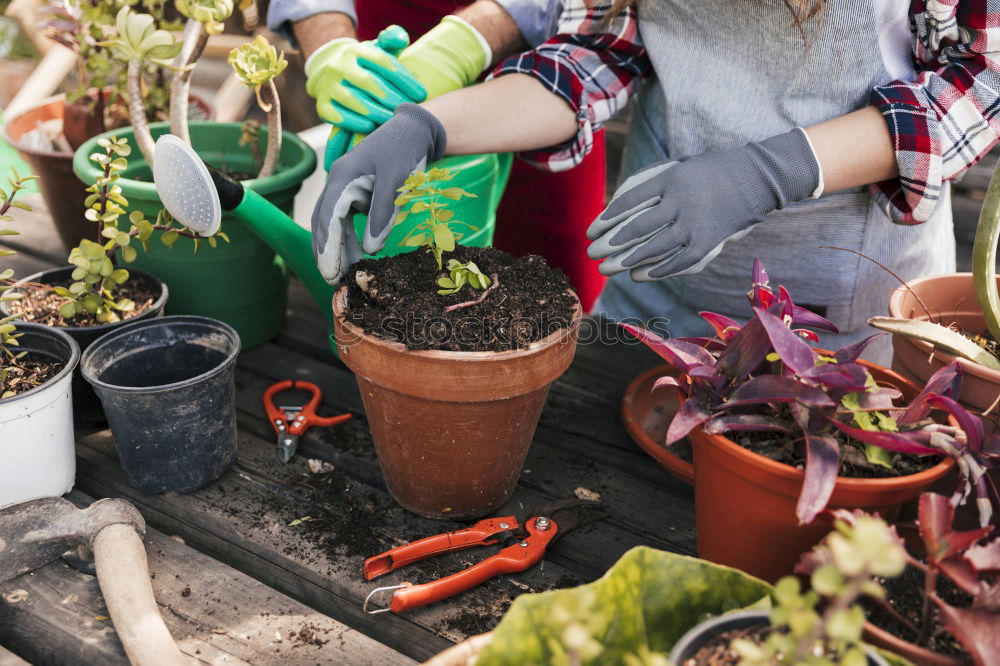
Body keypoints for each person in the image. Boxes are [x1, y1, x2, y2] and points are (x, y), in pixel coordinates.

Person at [312, 0, 1000, 364]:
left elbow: (984, 79)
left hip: (845, 324)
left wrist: (774, 169)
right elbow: (593, 52)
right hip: (658, 305)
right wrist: (428, 126)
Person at [268, 0, 611, 310]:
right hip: (388, 75)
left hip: (542, 95)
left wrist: (462, 44)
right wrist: (333, 51)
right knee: (392, 283)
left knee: (550, 299)